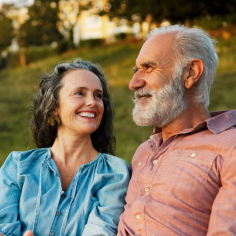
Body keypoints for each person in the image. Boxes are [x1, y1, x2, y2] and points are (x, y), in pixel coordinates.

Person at [117, 25, 236, 235]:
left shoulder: (230, 148)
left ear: (190, 73)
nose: (133, 83)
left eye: (149, 67)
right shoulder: (143, 153)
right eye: (136, 70)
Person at [0, 58, 130, 236]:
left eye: (98, 95)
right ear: (54, 106)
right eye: (79, 93)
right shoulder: (17, 166)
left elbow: (102, 231)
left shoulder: (115, 174)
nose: (92, 102)